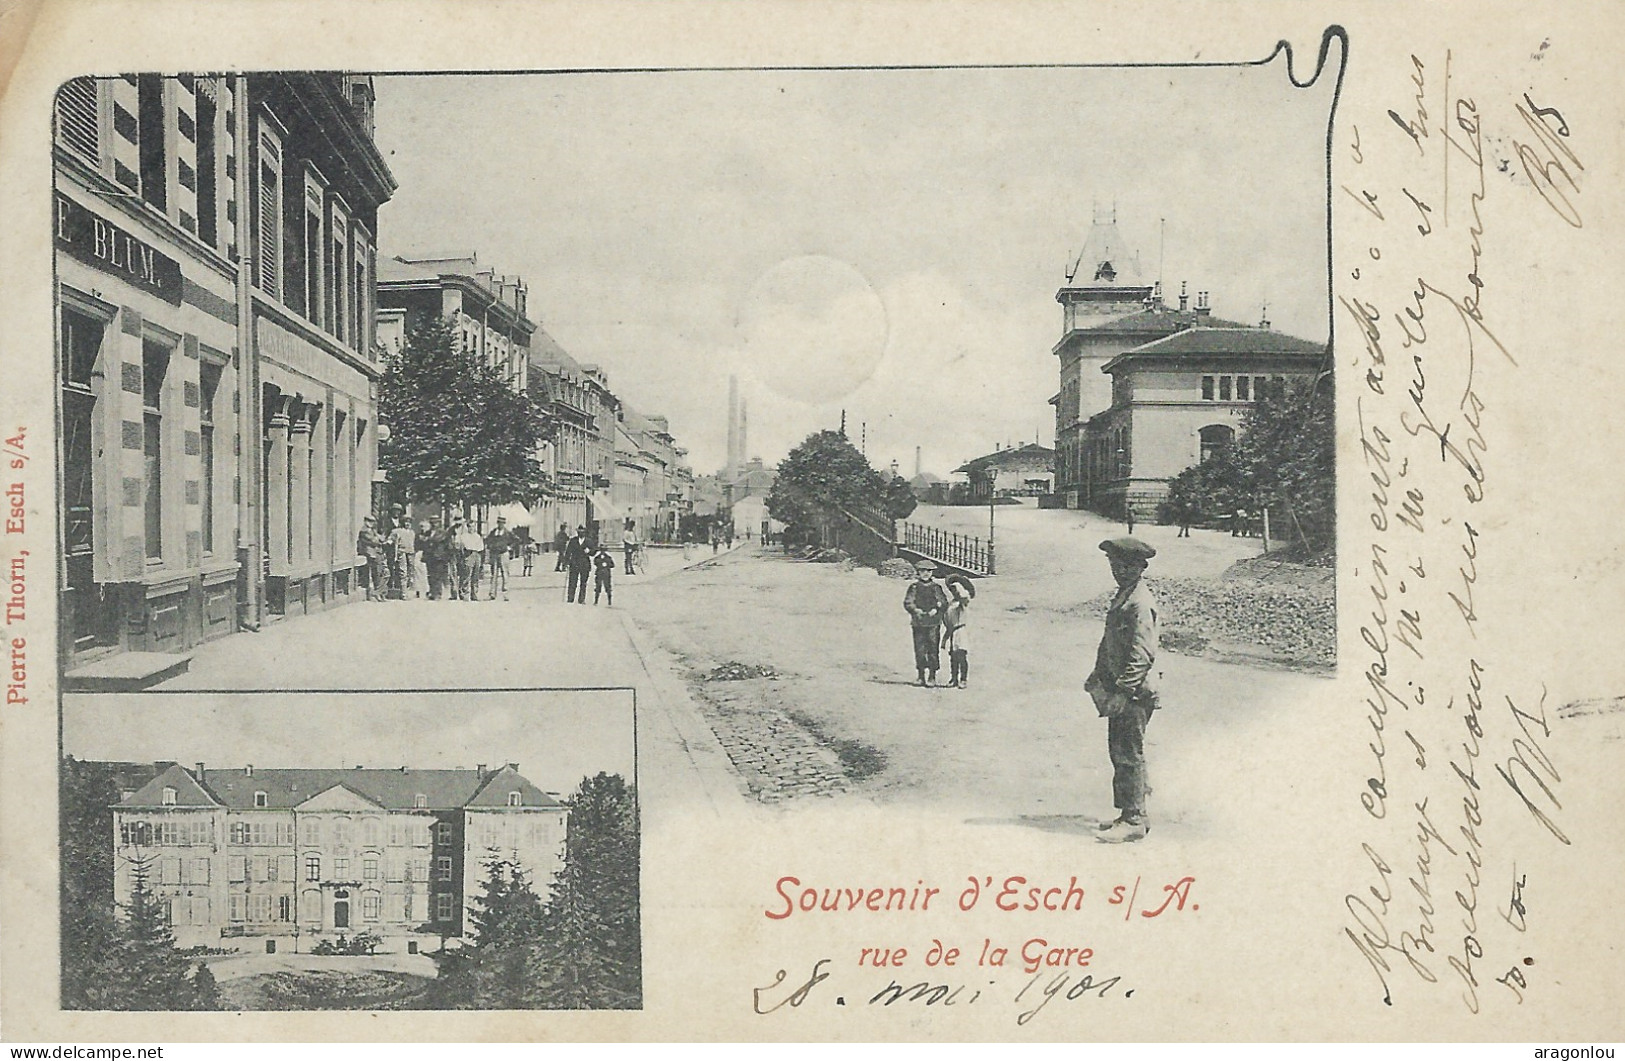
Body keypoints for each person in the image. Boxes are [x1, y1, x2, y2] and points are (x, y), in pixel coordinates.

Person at [1085, 537, 1161, 844]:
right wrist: (1097, 674)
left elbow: (1142, 655)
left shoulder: (1139, 603)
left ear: (1140, 568)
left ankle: (1134, 819)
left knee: (1127, 753)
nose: (1118, 571)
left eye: (1125, 566)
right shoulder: (1125, 596)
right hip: (1122, 687)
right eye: (1114, 565)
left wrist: (1121, 692)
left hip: (1134, 693)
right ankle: (1129, 814)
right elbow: (1111, 644)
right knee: (1123, 751)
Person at [903, 559, 948, 686]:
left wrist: (937, 608)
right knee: (920, 649)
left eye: (929, 571)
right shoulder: (914, 587)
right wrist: (916, 610)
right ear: (918, 572)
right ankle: (921, 675)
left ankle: (932, 676)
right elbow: (908, 602)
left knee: (933, 648)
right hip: (918, 622)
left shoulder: (936, 588)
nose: (926, 574)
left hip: (933, 623)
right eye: (923, 571)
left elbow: (944, 602)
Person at [941, 574, 976, 689]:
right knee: (953, 656)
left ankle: (963, 679)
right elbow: (947, 620)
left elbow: (964, 597)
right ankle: (954, 678)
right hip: (952, 632)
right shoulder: (951, 604)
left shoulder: (963, 603)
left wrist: (958, 587)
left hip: (961, 631)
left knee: (961, 655)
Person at [484, 515, 513, 601]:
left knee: (505, 574)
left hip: (504, 554)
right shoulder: (493, 532)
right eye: (499, 523)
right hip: (495, 554)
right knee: (494, 574)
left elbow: (516, 540)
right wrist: (490, 547)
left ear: (504, 524)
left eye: (502, 523)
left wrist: (509, 547)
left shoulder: (507, 533)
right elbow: (488, 540)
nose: (500, 525)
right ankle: (492, 593)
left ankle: (505, 593)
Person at [422, 516, 452, 600]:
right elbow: (424, 543)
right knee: (430, 575)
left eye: (436, 522)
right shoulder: (427, 532)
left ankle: (438, 593)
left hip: (439, 556)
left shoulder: (442, 532)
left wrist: (427, 539)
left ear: (439, 523)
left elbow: (439, 541)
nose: (434, 524)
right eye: (432, 523)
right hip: (430, 556)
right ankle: (432, 592)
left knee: (438, 575)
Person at [357, 516, 386, 601]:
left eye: (373, 521)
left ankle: (377, 593)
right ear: (365, 521)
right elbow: (375, 541)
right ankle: (374, 594)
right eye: (370, 521)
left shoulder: (372, 530)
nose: (372, 523)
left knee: (377, 573)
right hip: (369, 554)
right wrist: (379, 539)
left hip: (373, 553)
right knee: (374, 573)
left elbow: (380, 539)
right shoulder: (365, 530)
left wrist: (379, 539)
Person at [388, 516, 417, 599]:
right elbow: (390, 540)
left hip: (411, 553)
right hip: (402, 553)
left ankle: (410, 591)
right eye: (406, 522)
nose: (407, 524)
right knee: (403, 572)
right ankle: (403, 593)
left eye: (409, 522)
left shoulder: (412, 533)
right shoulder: (398, 531)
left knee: (411, 572)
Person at [564, 524, 592, 604]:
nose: (581, 533)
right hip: (574, 563)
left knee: (583, 582)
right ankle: (570, 598)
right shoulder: (573, 541)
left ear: (585, 532)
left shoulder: (588, 541)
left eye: (582, 532)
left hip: (584, 564)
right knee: (572, 581)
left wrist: (589, 551)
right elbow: (568, 552)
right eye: (579, 532)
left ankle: (581, 599)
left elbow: (594, 550)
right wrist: (566, 562)